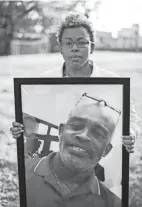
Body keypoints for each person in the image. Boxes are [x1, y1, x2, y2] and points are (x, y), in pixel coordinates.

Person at [10, 12, 140, 153]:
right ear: (60, 48)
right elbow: (30, 119)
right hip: (53, 155)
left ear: (93, 47)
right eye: (68, 43)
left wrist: (131, 133)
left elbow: (132, 119)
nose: (75, 48)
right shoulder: (44, 82)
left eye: (81, 42)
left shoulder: (113, 82)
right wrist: (20, 129)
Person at [25, 100, 121, 207]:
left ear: (106, 150)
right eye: (76, 126)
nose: (84, 136)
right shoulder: (18, 172)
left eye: (98, 133)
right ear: (61, 131)